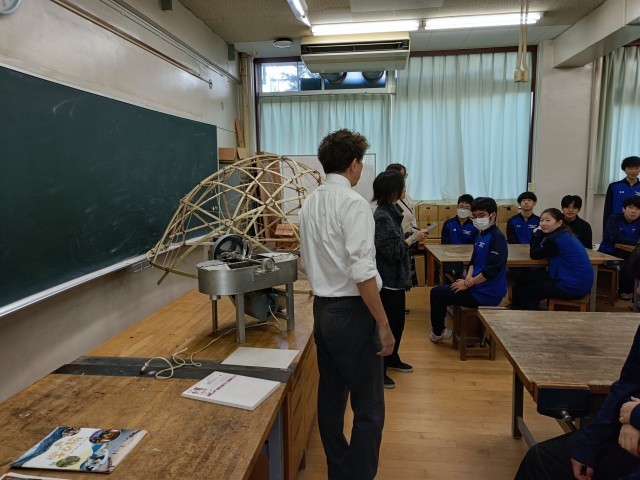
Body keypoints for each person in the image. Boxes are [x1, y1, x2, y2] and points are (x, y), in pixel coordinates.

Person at [299, 128, 394, 480]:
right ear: (354, 164)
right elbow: (363, 273)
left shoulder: (310, 202)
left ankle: (339, 472)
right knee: (369, 407)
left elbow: (305, 260)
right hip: (353, 312)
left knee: (331, 398)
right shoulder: (353, 204)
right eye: (361, 163)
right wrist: (383, 324)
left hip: (323, 310)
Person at [514, 326, 640, 480]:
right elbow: (629, 382)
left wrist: (635, 416)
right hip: (628, 431)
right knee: (540, 460)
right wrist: (589, 443)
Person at [372, 170, 427, 389]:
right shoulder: (382, 217)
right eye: (402, 186)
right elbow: (392, 251)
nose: (405, 189)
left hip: (396, 280)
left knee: (398, 324)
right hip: (388, 281)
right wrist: (413, 239)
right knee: (389, 326)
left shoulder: (392, 212)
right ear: (394, 191)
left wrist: (411, 236)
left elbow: (395, 240)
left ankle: (393, 358)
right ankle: (380, 369)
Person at [429, 197, 508, 343]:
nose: (478, 220)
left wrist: (468, 284)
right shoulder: (480, 235)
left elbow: (492, 271)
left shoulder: (498, 238)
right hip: (475, 286)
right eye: (475, 216)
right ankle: (439, 330)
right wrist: (468, 279)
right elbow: (473, 262)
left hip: (487, 293)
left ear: (493, 215)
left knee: (437, 294)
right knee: (442, 290)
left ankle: (438, 333)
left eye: (481, 216)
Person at [511, 208, 594, 310]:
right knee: (525, 277)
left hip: (572, 285)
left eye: (548, 220)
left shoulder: (555, 239)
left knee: (525, 294)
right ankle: (517, 308)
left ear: (559, 223)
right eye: (541, 220)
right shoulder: (563, 233)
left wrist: (537, 233)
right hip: (572, 279)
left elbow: (534, 254)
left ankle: (532, 316)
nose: (543, 224)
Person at [599, 196, 640, 300]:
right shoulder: (614, 219)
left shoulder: (638, 222)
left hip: (630, 252)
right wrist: (637, 242)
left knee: (634, 260)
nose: (634, 211)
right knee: (630, 262)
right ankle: (626, 291)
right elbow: (616, 238)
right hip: (610, 253)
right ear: (623, 209)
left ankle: (635, 294)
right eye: (631, 208)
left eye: (637, 209)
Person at [441, 194, 478, 280]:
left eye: (467, 207)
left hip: (468, 259)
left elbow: (475, 245)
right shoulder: (448, 224)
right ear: (457, 207)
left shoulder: (474, 226)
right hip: (451, 258)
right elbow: (444, 245)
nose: (463, 210)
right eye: (461, 206)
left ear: (471, 210)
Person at [602, 155, 640, 231]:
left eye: (636, 168)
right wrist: (606, 229)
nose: (633, 171)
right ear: (624, 169)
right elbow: (607, 210)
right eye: (630, 168)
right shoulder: (614, 186)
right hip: (617, 224)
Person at [385, 163, 417, 234]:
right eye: (401, 175)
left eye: (404, 175)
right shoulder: (384, 200)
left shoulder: (407, 197)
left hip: (408, 238)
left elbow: (413, 222)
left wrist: (417, 234)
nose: (403, 178)